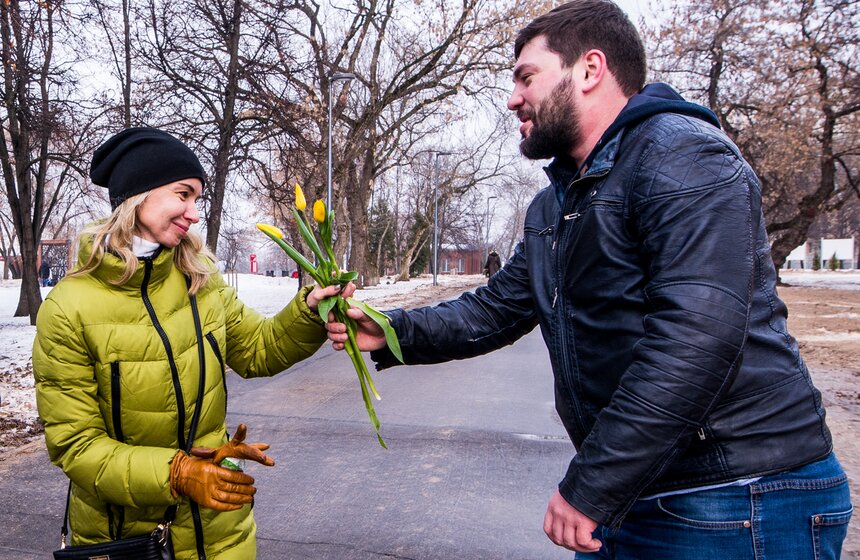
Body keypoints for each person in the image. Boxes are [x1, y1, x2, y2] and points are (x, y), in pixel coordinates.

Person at [326, 2, 852, 558]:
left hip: (738, 494)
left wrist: (593, 483)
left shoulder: (682, 155)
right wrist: (389, 329)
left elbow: (696, 341)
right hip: (638, 491)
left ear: (590, 69)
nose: (512, 98)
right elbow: (495, 310)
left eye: (527, 77)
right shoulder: (557, 205)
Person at [33, 127, 344, 559]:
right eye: (183, 194)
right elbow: (77, 447)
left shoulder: (201, 280)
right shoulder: (70, 308)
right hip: (129, 540)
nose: (194, 212)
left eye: (197, 198)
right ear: (138, 195)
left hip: (221, 532)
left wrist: (310, 310)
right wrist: (177, 473)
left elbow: (259, 349)